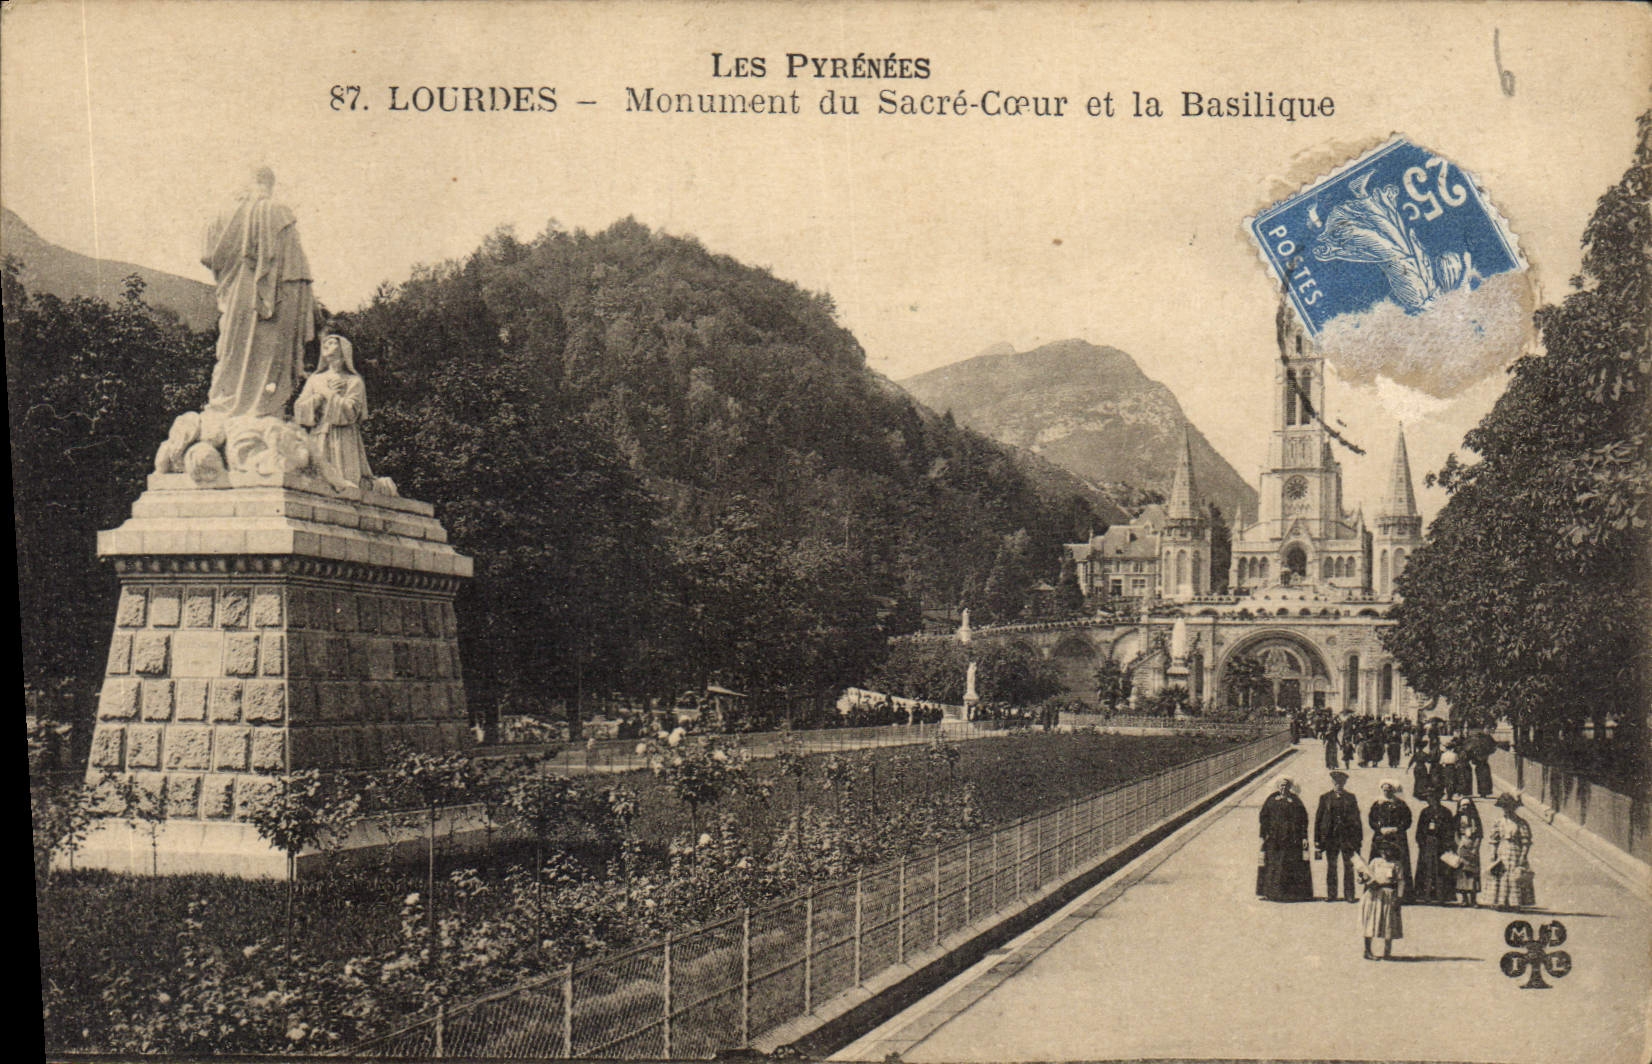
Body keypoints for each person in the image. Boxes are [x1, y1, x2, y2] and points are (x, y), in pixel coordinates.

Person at [201, 167, 316, 419]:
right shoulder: (279, 211)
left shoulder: (220, 214)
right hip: (274, 299)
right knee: (267, 353)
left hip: (236, 294)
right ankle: (262, 411)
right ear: (269, 184)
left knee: (233, 350)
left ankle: (227, 406)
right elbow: (296, 270)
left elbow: (207, 255)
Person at [294, 333, 374, 492]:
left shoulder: (354, 381)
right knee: (317, 482)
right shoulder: (315, 379)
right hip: (319, 433)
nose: (326, 345)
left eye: (332, 343)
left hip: (344, 437)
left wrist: (329, 394)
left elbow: (351, 412)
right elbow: (299, 408)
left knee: (346, 484)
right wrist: (319, 396)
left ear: (343, 350)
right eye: (326, 343)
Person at [1259, 775, 1314, 901]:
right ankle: (1271, 893)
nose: (1284, 788)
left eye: (1286, 786)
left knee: (1289, 865)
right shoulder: (1271, 800)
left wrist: (1304, 837)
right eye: (1282, 785)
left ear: (1290, 787)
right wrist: (1263, 835)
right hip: (1274, 839)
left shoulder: (1295, 800)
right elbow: (1263, 818)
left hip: (1292, 839)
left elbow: (1303, 820)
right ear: (1278, 787)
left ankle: (1290, 894)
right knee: (1273, 865)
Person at [1314, 770, 1363, 902]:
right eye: (1336, 783)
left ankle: (1349, 895)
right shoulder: (1325, 798)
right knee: (1332, 866)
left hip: (1347, 838)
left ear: (1344, 783)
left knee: (1349, 866)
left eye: (1341, 783)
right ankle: (1331, 894)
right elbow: (1318, 820)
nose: (1338, 785)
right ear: (1332, 783)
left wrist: (1358, 839)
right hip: (1331, 838)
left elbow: (1357, 819)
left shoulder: (1351, 798)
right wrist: (1317, 841)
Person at [1488, 792, 1536, 911]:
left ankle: (1515, 903)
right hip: (1502, 850)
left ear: (1513, 808)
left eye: (1508, 807)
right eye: (1503, 807)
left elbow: (1526, 841)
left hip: (1515, 851)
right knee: (1501, 875)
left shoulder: (1521, 823)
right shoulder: (1499, 822)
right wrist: (1493, 853)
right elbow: (1494, 839)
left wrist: (1523, 855)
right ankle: (1501, 902)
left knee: (1515, 876)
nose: (1506, 810)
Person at [1368, 779, 1414, 899]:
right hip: (1381, 836)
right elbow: (1371, 820)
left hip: (1397, 837)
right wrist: (1380, 829)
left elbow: (1408, 820)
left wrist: (1397, 828)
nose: (1387, 792)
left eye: (1389, 790)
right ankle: (1376, 892)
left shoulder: (1401, 804)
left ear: (1393, 791)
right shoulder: (1377, 804)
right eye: (1384, 790)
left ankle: (1402, 895)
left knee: (1399, 863)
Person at [1413, 790, 1458, 905]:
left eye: (1432, 797)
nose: (1430, 800)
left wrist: (1447, 843)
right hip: (1428, 844)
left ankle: (1441, 896)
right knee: (1427, 869)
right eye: (1429, 798)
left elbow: (1450, 830)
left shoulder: (1446, 812)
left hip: (1441, 844)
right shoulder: (1425, 812)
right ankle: (1426, 896)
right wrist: (1421, 843)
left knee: (1441, 870)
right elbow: (1420, 829)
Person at [1358, 852, 1403, 960]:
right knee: (1370, 921)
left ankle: (1387, 953)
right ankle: (1367, 951)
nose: (1385, 853)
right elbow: (1367, 876)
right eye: (1382, 850)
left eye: (1387, 850)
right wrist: (1363, 878)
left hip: (1388, 895)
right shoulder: (1375, 862)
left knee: (1388, 922)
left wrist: (1399, 897)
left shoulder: (1396, 864)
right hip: (1373, 895)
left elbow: (1401, 882)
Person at [1454, 797, 1483, 906]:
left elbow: (1479, 834)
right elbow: (1455, 833)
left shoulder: (1475, 819)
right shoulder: (1457, 819)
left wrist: (1476, 847)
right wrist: (1459, 844)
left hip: (1473, 845)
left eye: (1467, 805)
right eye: (1463, 805)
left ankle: (1473, 899)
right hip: (1462, 845)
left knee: (1473, 873)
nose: (1465, 807)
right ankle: (1464, 898)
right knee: (1462, 872)